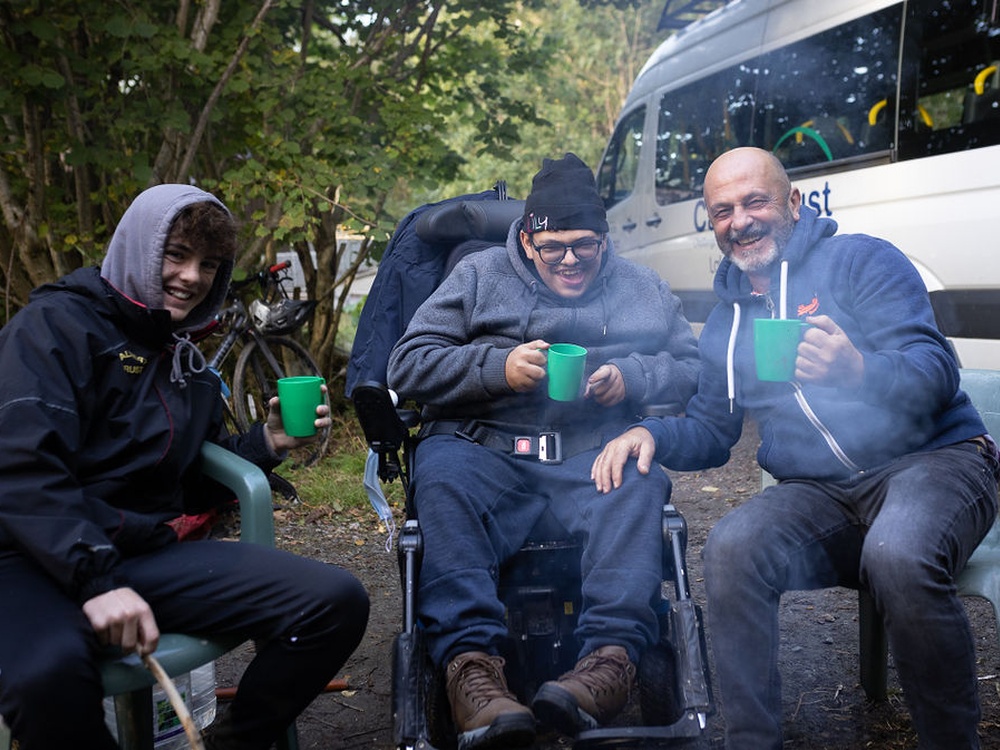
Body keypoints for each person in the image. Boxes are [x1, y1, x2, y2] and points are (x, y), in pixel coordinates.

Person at [591, 146, 1000, 749]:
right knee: (730, 548)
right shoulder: (727, 323)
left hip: (935, 462)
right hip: (821, 494)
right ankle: (753, 742)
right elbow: (710, 430)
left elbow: (936, 369)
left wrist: (858, 371)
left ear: (793, 202)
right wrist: (651, 430)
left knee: (898, 553)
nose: (740, 220)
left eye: (755, 201)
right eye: (723, 210)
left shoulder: (861, 261)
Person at [0, 184, 370, 750]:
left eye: (209, 265)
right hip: (31, 559)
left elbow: (183, 486)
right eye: (175, 255)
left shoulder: (186, 363)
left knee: (333, 602)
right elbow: (21, 467)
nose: (192, 277)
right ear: (137, 248)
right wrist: (93, 580)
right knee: (45, 679)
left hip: (135, 555)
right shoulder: (53, 327)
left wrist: (263, 444)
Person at [386, 153, 701, 750]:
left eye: (584, 245)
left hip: (590, 449)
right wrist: (495, 367)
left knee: (638, 477)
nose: (570, 260)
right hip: (484, 447)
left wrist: (630, 377)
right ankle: (472, 674)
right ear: (528, 239)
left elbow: (689, 368)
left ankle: (606, 666)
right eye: (553, 246)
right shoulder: (478, 276)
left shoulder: (643, 288)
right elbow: (407, 363)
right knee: (441, 477)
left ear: (605, 242)